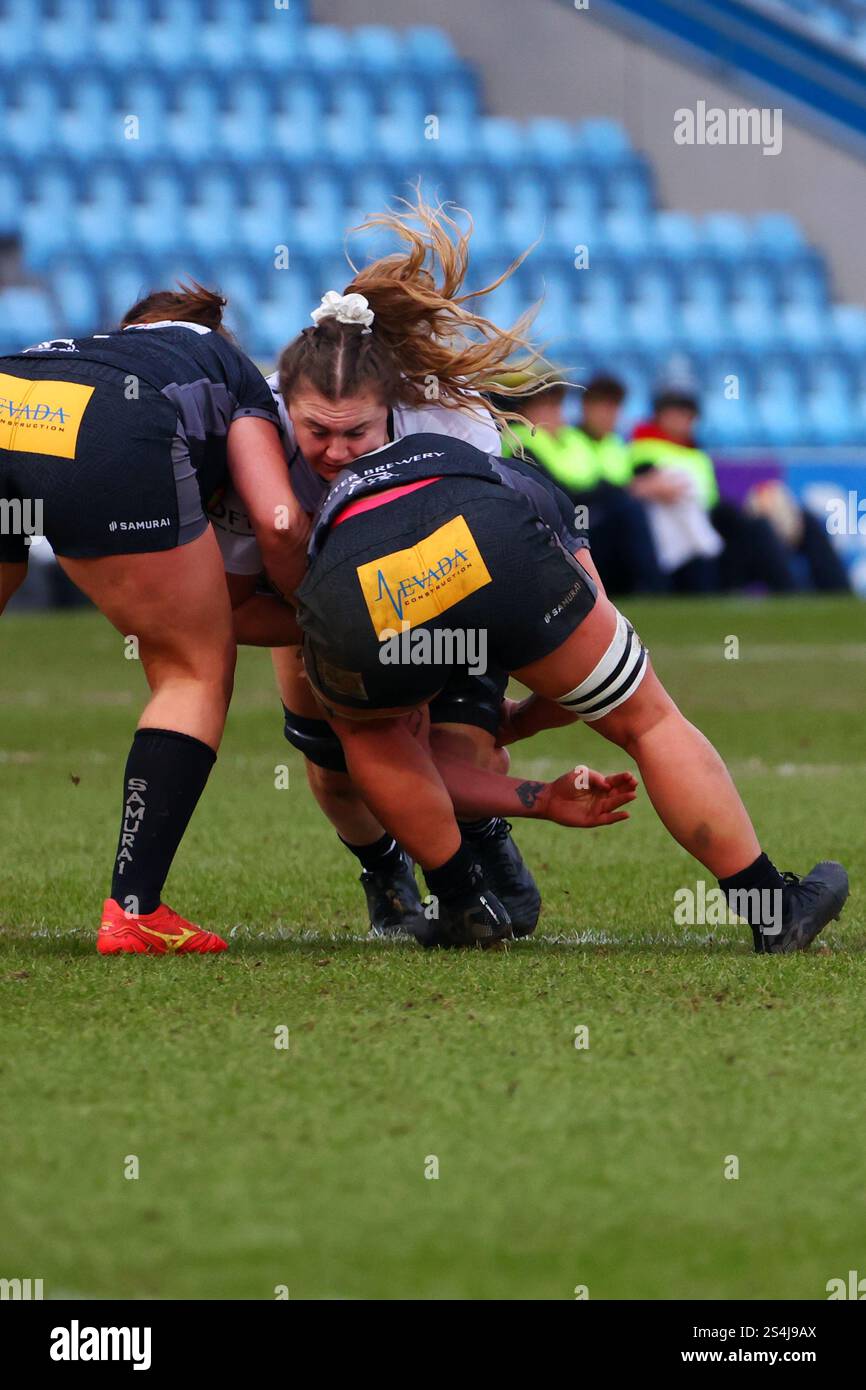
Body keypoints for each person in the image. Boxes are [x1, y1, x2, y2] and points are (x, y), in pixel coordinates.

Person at [292, 427, 849, 952]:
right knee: (646, 719)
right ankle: (771, 909)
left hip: (362, 587)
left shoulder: (315, 491)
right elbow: (593, 638)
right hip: (493, 540)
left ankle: (464, 901)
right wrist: (523, 722)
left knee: (374, 741)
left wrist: (536, 788)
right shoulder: (520, 482)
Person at [213, 197, 567, 938]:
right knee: (339, 767)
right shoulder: (255, 440)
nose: (337, 452)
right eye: (317, 432)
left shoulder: (449, 416)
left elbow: (491, 542)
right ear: (286, 411)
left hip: (443, 584)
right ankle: (384, 873)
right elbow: (234, 606)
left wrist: (431, 665)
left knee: (461, 745)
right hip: (311, 599)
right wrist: (343, 641)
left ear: (394, 409)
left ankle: (478, 838)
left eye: (358, 434)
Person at [0, 282, 309, 954]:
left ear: (135, 325)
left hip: (10, 393)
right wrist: (324, 614)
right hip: (109, 429)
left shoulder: (87, 344)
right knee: (194, 669)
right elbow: (276, 524)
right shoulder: (232, 370)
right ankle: (135, 910)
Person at [628, 389, 849, 593]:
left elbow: (712, 502)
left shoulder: (694, 452)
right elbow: (639, 488)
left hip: (709, 532)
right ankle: (790, 593)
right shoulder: (645, 449)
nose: (683, 419)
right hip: (688, 550)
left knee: (802, 520)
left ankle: (838, 591)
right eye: (675, 412)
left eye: (687, 413)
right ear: (659, 416)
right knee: (758, 530)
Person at [491, 371, 666, 595]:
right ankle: (653, 586)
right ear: (525, 411)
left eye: (557, 406)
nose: (557, 413)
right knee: (627, 509)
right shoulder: (521, 443)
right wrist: (625, 490)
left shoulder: (567, 439)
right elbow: (556, 491)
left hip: (583, 513)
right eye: (548, 406)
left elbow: (596, 475)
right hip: (560, 521)